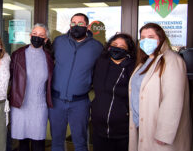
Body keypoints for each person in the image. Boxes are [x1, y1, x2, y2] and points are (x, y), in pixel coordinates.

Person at [129, 23, 192, 151]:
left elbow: (173, 99)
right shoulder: (144, 61)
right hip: (142, 125)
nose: (146, 40)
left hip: (159, 131)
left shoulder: (172, 60)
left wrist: (164, 133)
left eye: (151, 37)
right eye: (143, 37)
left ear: (161, 39)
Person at [49, 13, 103, 151]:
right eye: (73, 22)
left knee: (80, 142)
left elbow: (100, 72)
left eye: (80, 23)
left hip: (80, 103)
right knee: (57, 141)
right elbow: (48, 62)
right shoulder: (59, 42)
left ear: (87, 26)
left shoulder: (97, 47)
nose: (76, 26)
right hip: (57, 101)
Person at [10, 23, 53, 151]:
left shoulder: (49, 57)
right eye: (34, 34)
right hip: (20, 104)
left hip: (39, 106)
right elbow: (11, 76)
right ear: (30, 35)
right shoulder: (17, 54)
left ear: (45, 39)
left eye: (41, 35)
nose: (37, 37)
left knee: (38, 143)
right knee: (22, 143)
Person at [90, 33, 136, 151]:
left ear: (128, 50)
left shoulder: (133, 67)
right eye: (114, 44)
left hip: (122, 128)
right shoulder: (100, 62)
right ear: (109, 46)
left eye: (122, 46)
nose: (117, 48)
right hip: (98, 125)